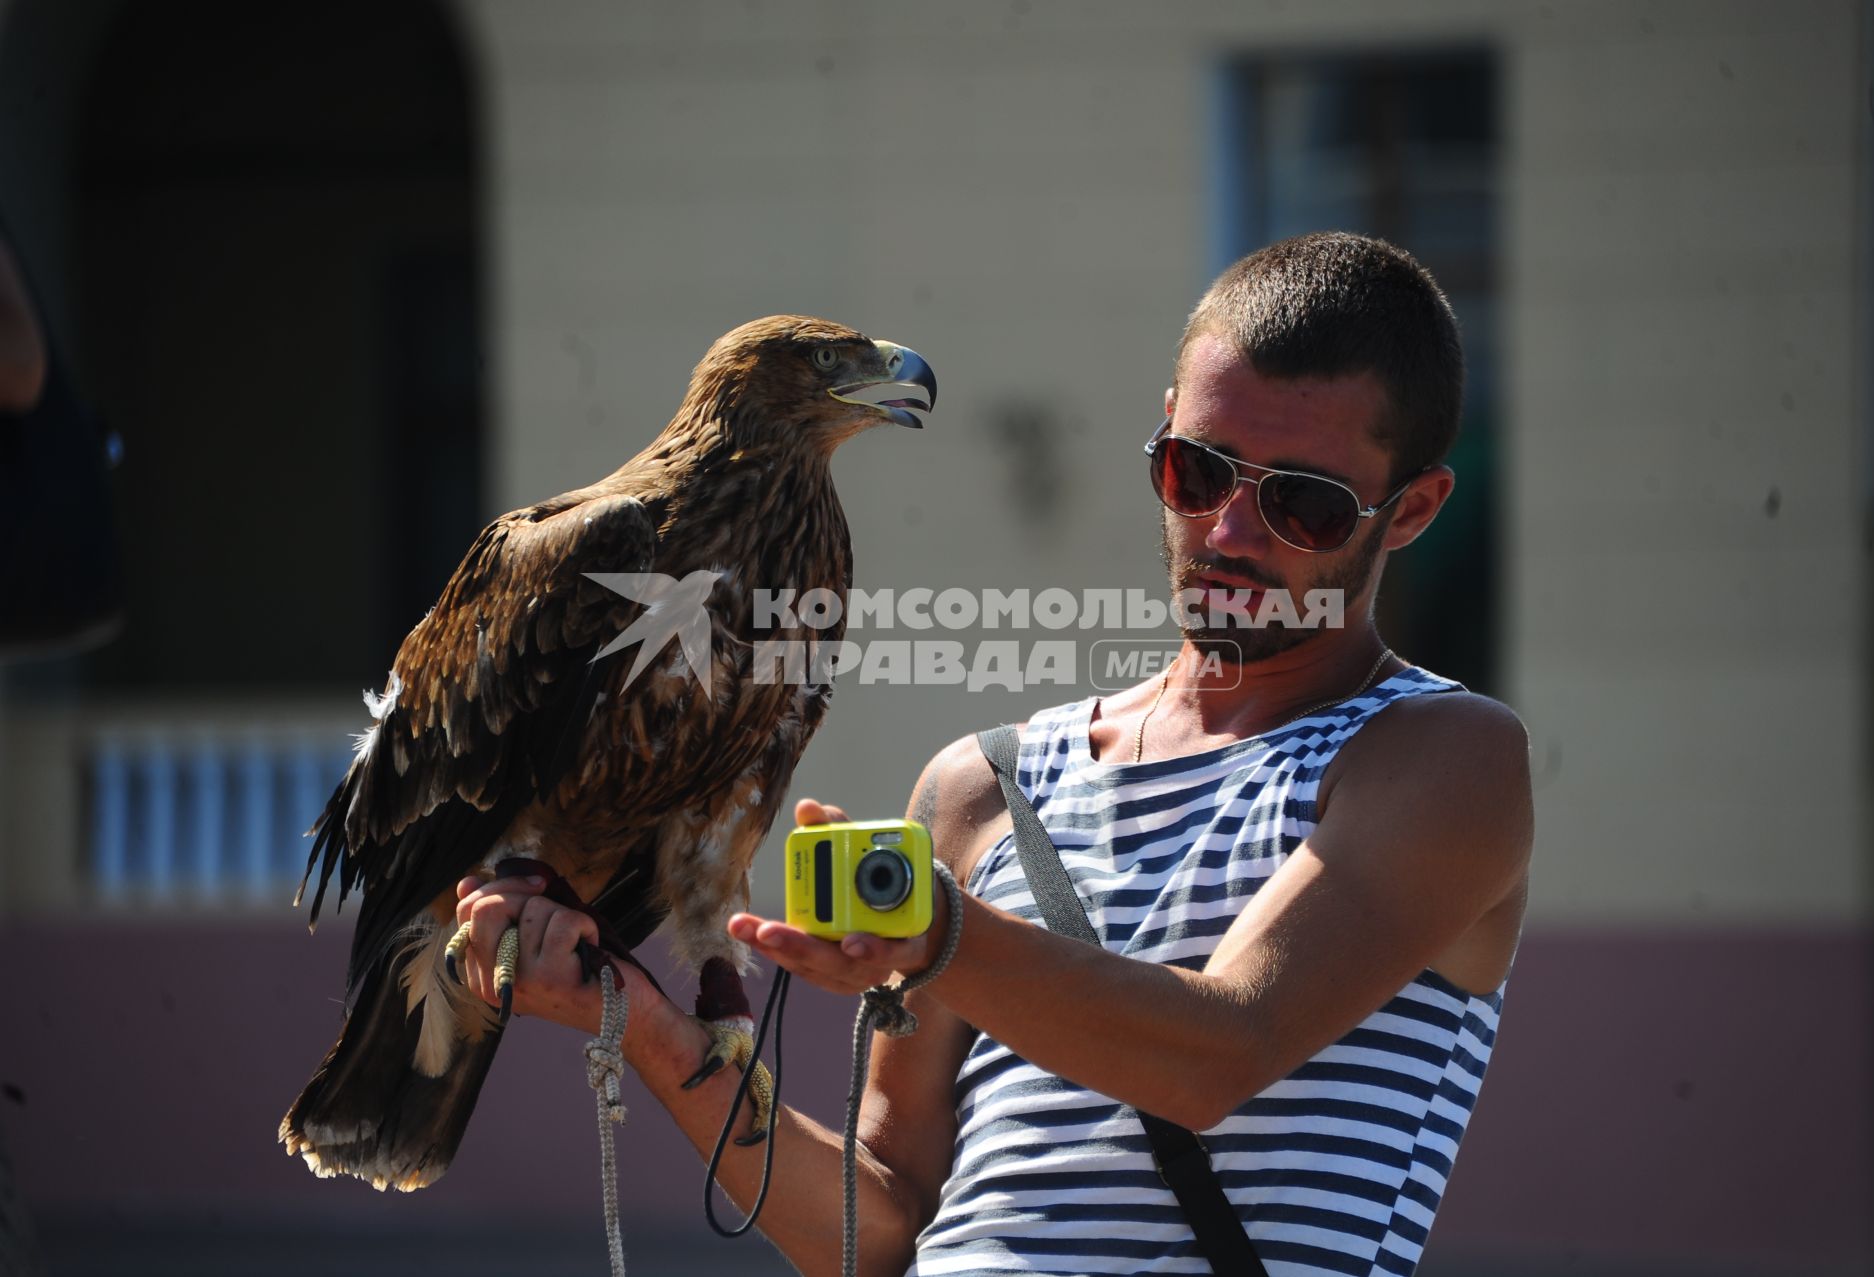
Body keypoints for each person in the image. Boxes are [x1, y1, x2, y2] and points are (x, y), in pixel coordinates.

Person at [454, 231, 1533, 1275]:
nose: (1230, 531)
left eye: (1301, 502)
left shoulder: (1440, 758)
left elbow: (1218, 1055)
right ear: (1162, 440)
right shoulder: (989, 785)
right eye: (1198, 472)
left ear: (1413, 509)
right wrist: (642, 1023)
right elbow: (874, 1229)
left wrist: (940, 939)